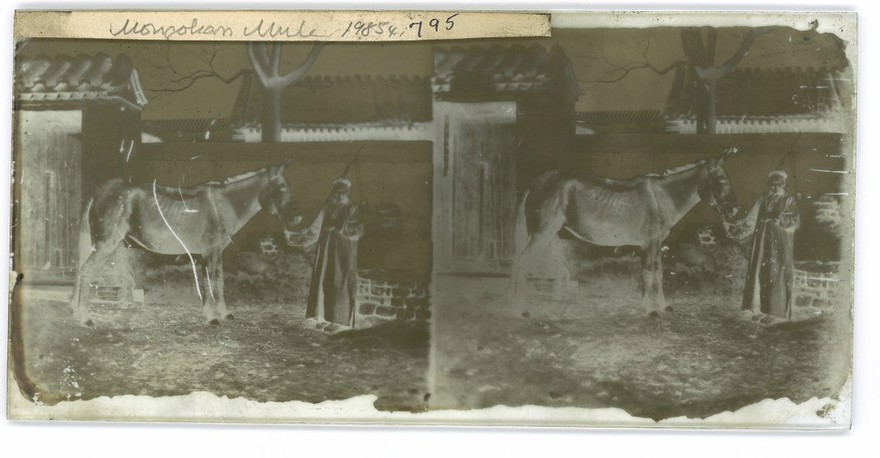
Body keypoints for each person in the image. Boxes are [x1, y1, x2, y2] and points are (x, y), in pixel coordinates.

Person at [294, 178, 364, 332]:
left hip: (343, 251)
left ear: (347, 192)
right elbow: (315, 228)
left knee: (339, 281)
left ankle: (340, 321)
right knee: (325, 280)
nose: (339, 194)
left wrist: (337, 226)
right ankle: (326, 317)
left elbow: (358, 230)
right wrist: (302, 238)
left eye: (342, 191)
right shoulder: (328, 206)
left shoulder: (353, 208)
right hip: (325, 249)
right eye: (336, 191)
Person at [730, 170, 800, 321]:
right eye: (772, 184)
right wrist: (740, 229)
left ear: (783, 184)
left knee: (776, 272)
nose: (775, 187)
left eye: (778, 184)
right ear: (769, 185)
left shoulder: (789, 200)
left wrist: (778, 218)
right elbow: (752, 217)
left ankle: (776, 313)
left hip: (780, 241)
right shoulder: (763, 197)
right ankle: (760, 309)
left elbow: (795, 219)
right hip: (762, 239)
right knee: (760, 271)